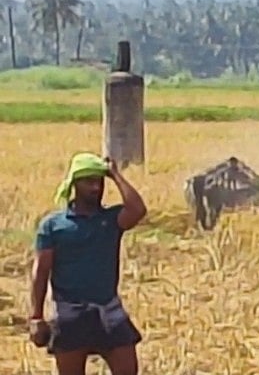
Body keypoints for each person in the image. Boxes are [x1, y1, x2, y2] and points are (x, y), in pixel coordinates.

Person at [29, 152, 148, 375]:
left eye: (99, 181)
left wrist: (115, 174)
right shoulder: (53, 225)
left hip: (109, 311)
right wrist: (36, 317)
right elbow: (41, 271)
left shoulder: (112, 219)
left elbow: (137, 210)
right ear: (74, 184)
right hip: (71, 314)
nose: (95, 188)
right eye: (88, 182)